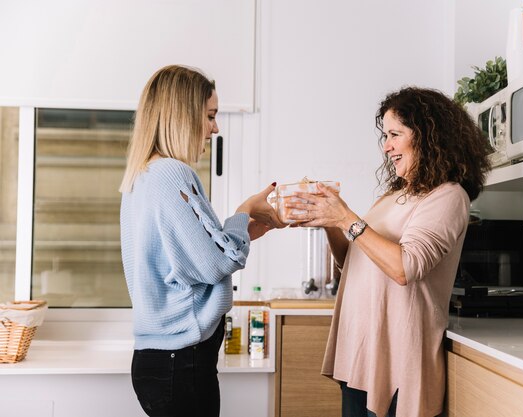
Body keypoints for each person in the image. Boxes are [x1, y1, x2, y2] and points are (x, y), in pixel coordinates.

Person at [285, 87, 490, 417]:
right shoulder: (394, 195)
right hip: (360, 355)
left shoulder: (448, 197)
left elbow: (405, 268)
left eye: (395, 134)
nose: (387, 146)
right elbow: (354, 262)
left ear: (426, 136)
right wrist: (328, 221)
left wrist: (345, 217)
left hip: (397, 359)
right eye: (385, 136)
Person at [119, 64, 283, 417]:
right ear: (182, 115)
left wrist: (245, 231)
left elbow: (181, 258)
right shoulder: (173, 174)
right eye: (209, 116)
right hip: (182, 360)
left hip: (159, 361)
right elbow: (215, 265)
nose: (215, 128)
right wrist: (242, 212)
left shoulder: (142, 176)